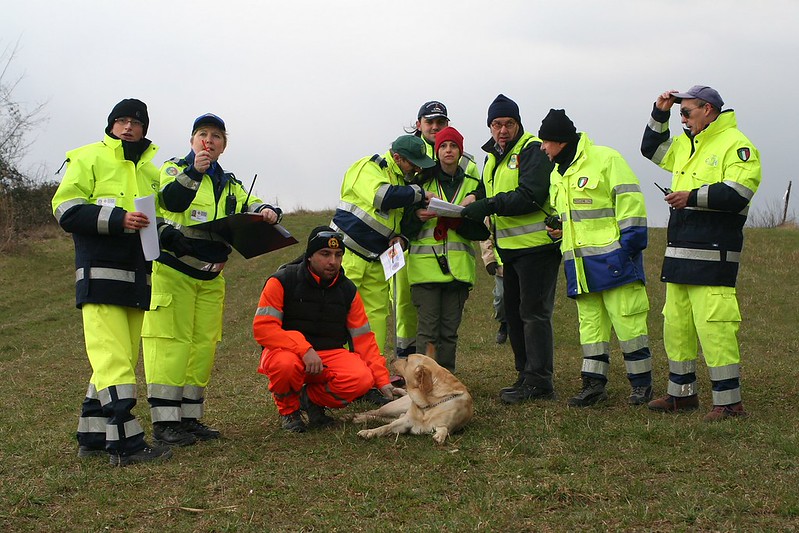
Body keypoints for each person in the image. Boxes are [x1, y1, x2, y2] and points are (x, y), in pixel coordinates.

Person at [142, 113, 282, 445]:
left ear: (223, 145)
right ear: (192, 141)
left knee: (202, 348)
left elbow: (250, 203)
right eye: (202, 134)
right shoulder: (174, 169)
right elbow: (172, 201)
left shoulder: (230, 182)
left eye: (217, 136)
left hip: (211, 280)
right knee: (171, 346)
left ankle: (189, 418)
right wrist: (195, 171)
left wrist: (268, 211)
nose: (209, 140)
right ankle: (165, 423)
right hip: (174, 274)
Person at [52, 98, 172, 466]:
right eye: (120, 120)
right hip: (100, 278)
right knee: (115, 361)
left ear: (144, 129)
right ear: (111, 125)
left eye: (135, 122)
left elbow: (162, 219)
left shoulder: (151, 171)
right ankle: (127, 444)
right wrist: (118, 219)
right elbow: (66, 209)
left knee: (112, 360)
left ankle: (92, 436)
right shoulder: (87, 158)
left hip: (138, 279)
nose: (127, 127)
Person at [641, 85, 761, 421]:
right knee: (675, 326)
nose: (683, 119)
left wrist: (690, 197)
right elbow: (651, 148)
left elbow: (737, 193)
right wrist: (659, 111)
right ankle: (682, 395)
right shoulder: (685, 144)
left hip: (713, 256)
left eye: (686, 112)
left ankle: (729, 402)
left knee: (715, 328)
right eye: (679, 114)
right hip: (680, 256)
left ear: (708, 110)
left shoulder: (737, 145)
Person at [539, 109, 653, 407]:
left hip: (615, 263)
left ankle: (641, 385)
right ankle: (593, 385)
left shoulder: (606, 159)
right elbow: (572, 220)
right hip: (580, 266)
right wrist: (558, 229)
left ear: (560, 142)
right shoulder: (556, 174)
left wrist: (627, 250)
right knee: (590, 328)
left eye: (545, 142)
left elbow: (631, 202)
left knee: (629, 325)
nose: (542, 148)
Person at [461, 94, 561, 403]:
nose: (502, 130)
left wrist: (488, 204)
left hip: (537, 248)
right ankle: (525, 375)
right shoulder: (492, 157)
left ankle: (540, 382)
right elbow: (486, 188)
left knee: (534, 314)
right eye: (496, 124)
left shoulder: (532, 150)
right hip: (511, 250)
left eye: (508, 123)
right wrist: (476, 198)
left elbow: (530, 194)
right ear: (489, 126)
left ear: (518, 124)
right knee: (515, 315)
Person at [254, 227, 397, 432]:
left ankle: (309, 399)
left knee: (362, 379)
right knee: (285, 365)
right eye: (325, 254)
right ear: (310, 256)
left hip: (328, 355)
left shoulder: (348, 290)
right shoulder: (282, 281)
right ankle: (289, 411)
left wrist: (382, 381)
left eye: (338, 255)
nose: (333, 261)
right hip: (287, 352)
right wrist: (303, 349)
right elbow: (263, 329)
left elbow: (364, 340)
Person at [330, 135, 436, 356]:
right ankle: (333, 372)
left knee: (375, 319)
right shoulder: (369, 166)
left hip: (377, 259)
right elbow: (381, 196)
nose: (417, 169)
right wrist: (419, 193)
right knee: (335, 314)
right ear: (397, 157)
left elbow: (400, 222)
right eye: (413, 163)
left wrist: (402, 238)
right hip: (346, 256)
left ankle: (371, 374)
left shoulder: (403, 182)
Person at [401, 127, 490, 372]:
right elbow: (404, 227)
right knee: (428, 331)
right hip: (425, 270)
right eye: (443, 146)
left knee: (450, 332)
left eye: (453, 146)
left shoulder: (475, 186)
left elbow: (481, 232)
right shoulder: (421, 183)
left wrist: (462, 217)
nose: (448, 151)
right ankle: (422, 382)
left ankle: (447, 380)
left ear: (461, 151)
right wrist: (418, 216)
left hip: (458, 272)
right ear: (437, 151)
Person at [479, 228, 507, 344]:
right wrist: (489, 259)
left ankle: (525, 330)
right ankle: (504, 323)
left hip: (525, 263)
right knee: (501, 297)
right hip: (502, 267)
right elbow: (485, 234)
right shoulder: (494, 211)